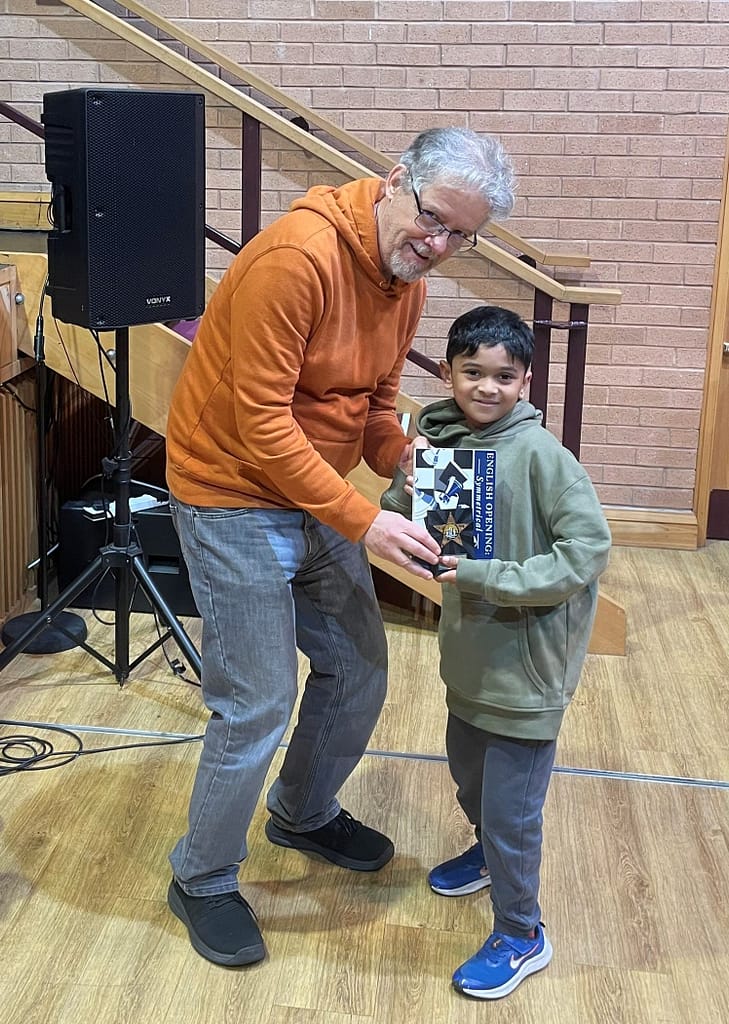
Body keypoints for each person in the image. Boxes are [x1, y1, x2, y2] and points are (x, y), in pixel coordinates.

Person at [164, 128, 517, 967]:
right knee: (255, 703)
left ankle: (301, 813)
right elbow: (259, 424)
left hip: (314, 493)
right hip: (230, 494)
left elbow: (373, 406)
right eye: (433, 219)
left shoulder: (405, 281)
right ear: (395, 180)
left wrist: (404, 458)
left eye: (462, 236)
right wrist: (364, 520)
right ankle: (201, 877)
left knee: (359, 671)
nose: (438, 245)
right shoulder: (295, 258)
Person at [381, 306, 611, 999]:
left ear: (525, 381)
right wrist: (405, 482)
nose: (487, 387)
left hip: (527, 672)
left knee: (513, 814)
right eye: (472, 372)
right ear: (446, 372)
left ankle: (521, 932)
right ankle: (485, 853)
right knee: (471, 781)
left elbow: (586, 551)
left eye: (503, 376)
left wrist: (488, 577)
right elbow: (413, 526)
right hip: (469, 658)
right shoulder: (439, 440)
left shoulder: (542, 457)